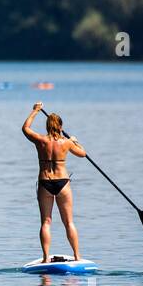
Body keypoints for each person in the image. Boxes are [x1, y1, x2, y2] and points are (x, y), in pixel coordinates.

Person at [21, 102, 86, 263]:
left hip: (45, 183)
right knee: (69, 221)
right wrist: (74, 140)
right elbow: (83, 154)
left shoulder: (40, 140)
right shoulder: (67, 142)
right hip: (62, 183)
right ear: (60, 126)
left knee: (46, 222)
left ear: (47, 126)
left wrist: (35, 111)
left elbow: (25, 129)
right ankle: (77, 256)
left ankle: (45, 258)